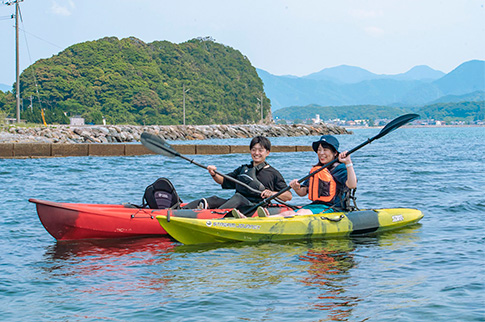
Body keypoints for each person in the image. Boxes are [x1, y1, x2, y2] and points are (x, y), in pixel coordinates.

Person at [182, 136, 292, 215]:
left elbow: (288, 196)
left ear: (267, 153)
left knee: (238, 198)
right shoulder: (243, 169)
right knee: (214, 199)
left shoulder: (273, 173)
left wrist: (271, 193)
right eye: (253, 150)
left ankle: (215, 216)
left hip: (256, 207)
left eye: (260, 150)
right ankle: (180, 211)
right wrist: (213, 174)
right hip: (235, 203)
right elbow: (223, 180)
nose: (256, 153)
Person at [257, 135, 357, 217]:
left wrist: (348, 162)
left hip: (333, 208)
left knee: (300, 213)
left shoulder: (340, 169)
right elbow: (303, 192)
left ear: (335, 153)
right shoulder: (317, 170)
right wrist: (296, 188)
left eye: (325, 150)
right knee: (288, 213)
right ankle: (265, 219)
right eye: (319, 150)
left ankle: (267, 221)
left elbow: (352, 185)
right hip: (316, 206)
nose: (321, 153)